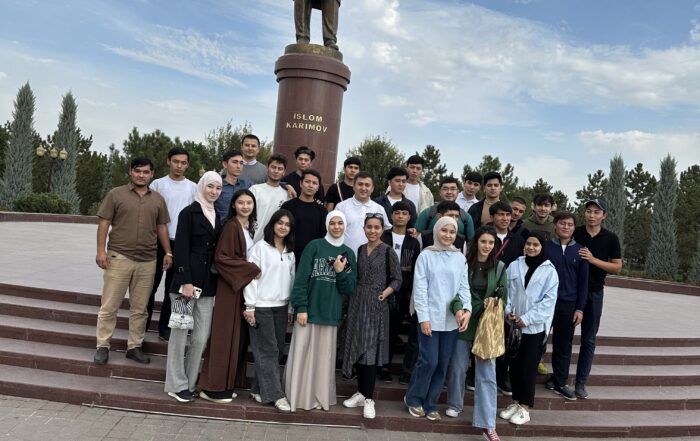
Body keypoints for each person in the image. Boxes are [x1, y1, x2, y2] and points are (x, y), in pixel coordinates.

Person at [94, 157, 171, 365]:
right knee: (109, 305)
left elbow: (162, 227)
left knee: (140, 308)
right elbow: (104, 224)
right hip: (119, 257)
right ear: (130, 171)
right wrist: (101, 251)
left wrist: (168, 252)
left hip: (147, 261)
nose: (141, 175)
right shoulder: (115, 194)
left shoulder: (158, 200)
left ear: (152, 174)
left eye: (146, 172)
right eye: (138, 171)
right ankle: (102, 346)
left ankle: (134, 346)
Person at [286, 210, 357, 411]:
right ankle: (299, 397)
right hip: (308, 313)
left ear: (345, 226)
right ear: (327, 225)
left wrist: (340, 272)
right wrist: (300, 306)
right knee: (303, 355)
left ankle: (319, 398)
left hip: (330, 314)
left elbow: (349, 288)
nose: (336, 227)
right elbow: (301, 279)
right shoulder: (315, 246)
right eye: (332, 223)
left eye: (340, 223)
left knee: (323, 360)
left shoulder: (348, 253)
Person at [404, 217, 471, 422]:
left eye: (452, 232)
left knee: (443, 364)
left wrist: (466, 310)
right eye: (444, 231)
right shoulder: (426, 256)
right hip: (430, 318)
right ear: (436, 231)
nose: (448, 235)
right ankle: (414, 398)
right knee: (429, 361)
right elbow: (420, 289)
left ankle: (431, 403)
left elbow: (463, 287)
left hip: (451, 320)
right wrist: (423, 318)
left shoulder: (460, 258)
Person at [164, 172, 223, 403]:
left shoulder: (217, 215)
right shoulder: (189, 213)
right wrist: (185, 281)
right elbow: (181, 249)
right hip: (185, 285)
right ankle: (175, 385)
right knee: (179, 336)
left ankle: (189, 383)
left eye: (218, 188)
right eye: (210, 186)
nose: (214, 191)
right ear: (201, 187)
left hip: (208, 285)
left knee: (201, 337)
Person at [198, 189, 261, 404]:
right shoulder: (231, 226)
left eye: (249, 203)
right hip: (228, 289)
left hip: (239, 287)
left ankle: (225, 384)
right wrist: (251, 268)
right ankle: (212, 387)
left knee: (236, 337)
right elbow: (222, 258)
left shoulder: (247, 227)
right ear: (233, 205)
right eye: (241, 202)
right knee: (224, 336)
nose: (245, 206)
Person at [446, 226, 508, 441]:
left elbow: (504, 300)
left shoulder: (499, 268)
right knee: (458, 366)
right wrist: (459, 310)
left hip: (486, 328)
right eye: (483, 242)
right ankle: (455, 403)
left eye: (491, 243)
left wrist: (491, 304)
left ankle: (487, 423)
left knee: (487, 375)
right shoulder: (463, 263)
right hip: (464, 322)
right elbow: (454, 293)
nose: (487, 246)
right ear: (476, 243)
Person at [342, 213, 401, 419]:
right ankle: (361, 393)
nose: (372, 231)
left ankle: (369, 399)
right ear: (364, 228)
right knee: (358, 346)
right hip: (358, 302)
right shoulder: (360, 249)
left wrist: (383, 294)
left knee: (369, 351)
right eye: (369, 227)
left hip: (376, 305)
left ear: (382, 229)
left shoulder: (388, 252)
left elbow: (397, 279)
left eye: (377, 227)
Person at [500, 231, 558, 426]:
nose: (531, 248)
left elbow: (548, 302)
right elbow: (505, 290)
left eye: (536, 245)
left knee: (528, 367)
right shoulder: (515, 265)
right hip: (514, 326)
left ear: (542, 247)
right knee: (514, 365)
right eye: (529, 244)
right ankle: (515, 402)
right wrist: (508, 312)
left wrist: (527, 319)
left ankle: (525, 407)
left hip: (533, 328)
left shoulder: (549, 270)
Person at [243, 209, 296, 413]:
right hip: (261, 306)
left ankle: (258, 389)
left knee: (276, 351)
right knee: (268, 350)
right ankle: (276, 395)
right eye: (280, 223)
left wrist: (290, 306)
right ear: (273, 224)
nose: (283, 227)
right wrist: (250, 306)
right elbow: (250, 278)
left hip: (281, 307)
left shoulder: (290, 252)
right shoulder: (260, 248)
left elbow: (291, 281)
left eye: (287, 224)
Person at [572, 199, 622, 399]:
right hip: (571, 292)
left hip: (594, 292)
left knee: (589, 339)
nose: (592, 215)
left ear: (604, 216)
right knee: (564, 336)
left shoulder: (610, 238)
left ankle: (581, 382)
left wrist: (593, 260)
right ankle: (559, 378)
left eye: (596, 212)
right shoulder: (576, 233)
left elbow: (617, 266)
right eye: (589, 211)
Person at [147, 147, 197, 342]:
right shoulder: (158, 185)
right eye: (176, 161)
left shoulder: (192, 187)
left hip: (182, 243)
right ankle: (142, 324)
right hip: (159, 242)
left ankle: (167, 328)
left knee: (174, 288)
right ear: (169, 161)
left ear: (187, 165)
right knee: (150, 285)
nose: (179, 166)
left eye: (183, 162)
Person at [543, 212, 589, 400]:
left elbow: (583, 283)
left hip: (567, 305)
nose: (566, 227)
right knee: (537, 342)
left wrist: (580, 308)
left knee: (563, 345)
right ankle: (526, 377)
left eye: (570, 224)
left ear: (573, 228)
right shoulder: (545, 248)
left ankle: (560, 382)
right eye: (562, 223)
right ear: (555, 226)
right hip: (544, 304)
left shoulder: (580, 251)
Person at [380, 201, 422, 385]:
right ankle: (383, 367)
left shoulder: (414, 241)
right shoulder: (383, 236)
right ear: (391, 215)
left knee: (398, 329)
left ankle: (403, 371)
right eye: (397, 213)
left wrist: (411, 291)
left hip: (405, 291)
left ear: (409, 217)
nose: (400, 216)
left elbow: (415, 269)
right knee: (384, 331)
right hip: (384, 289)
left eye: (404, 213)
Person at [335, 171, 391, 255]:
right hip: (345, 257)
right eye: (360, 184)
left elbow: (386, 232)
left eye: (367, 185)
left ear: (372, 188)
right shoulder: (341, 207)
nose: (363, 188)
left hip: (371, 259)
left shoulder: (379, 209)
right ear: (353, 186)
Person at [281, 169, 327, 266]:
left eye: (314, 183)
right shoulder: (288, 206)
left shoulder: (322, 210)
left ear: (318, 187)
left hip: (312, 259)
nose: (310, 185)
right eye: (307, 181)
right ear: (301, 184)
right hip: (287, 257)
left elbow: (323, 238)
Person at [250, 154, 290, 242]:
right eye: (273, 167)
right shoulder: (255, 189)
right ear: (267, 168)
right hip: (252, 240)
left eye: (280, 169)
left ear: (284, 172)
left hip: (273, 243)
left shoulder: (287, 195)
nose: (276, 171)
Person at [215, 150, 251, 221]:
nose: (238, 166)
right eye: (235, 162)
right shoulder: (216, 186)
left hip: (242, 229)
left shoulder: (247, 185)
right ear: (225, 164)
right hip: (221, 229)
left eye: (241, 163)